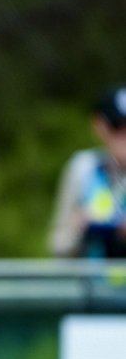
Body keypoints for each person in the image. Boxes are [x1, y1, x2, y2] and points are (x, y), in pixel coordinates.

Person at [49, 85, 126, 258]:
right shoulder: (83, 168)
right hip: (93, 282)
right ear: (99, 126)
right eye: (117, 125)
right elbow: (58, 246)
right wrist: (79, 228)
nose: (124, 134)